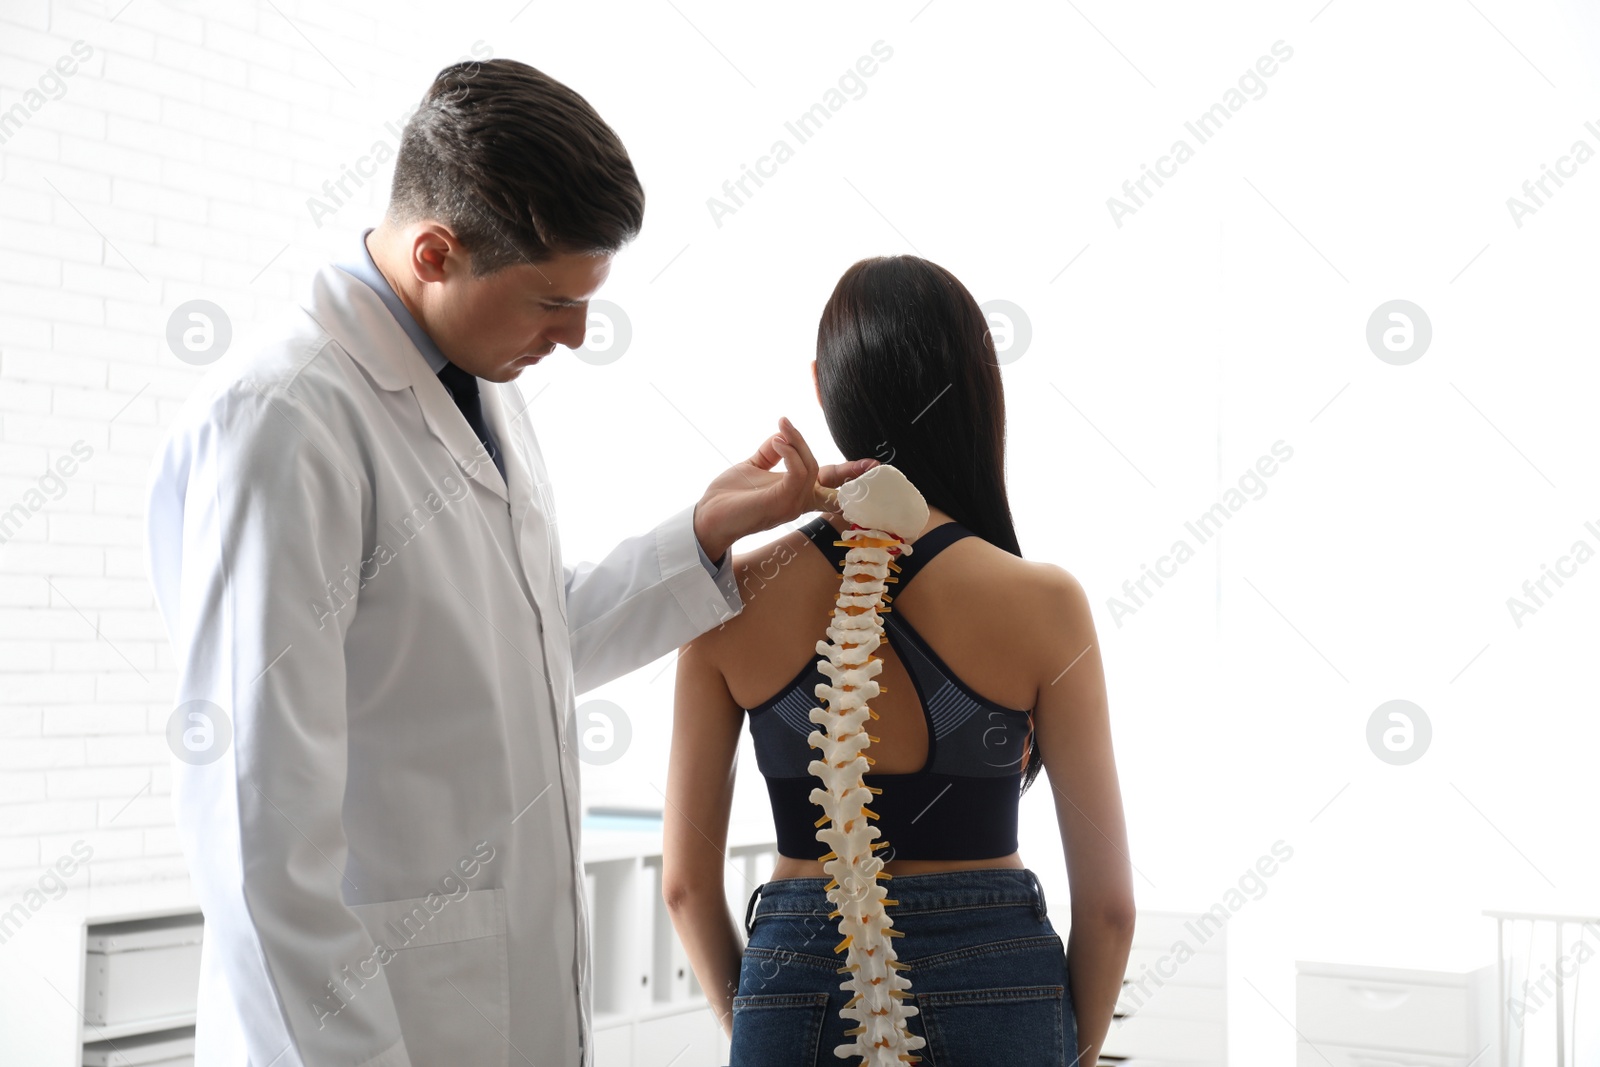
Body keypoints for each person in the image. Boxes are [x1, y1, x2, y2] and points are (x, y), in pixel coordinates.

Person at [144, 59, 876, 1067]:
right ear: (436, 253)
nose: (574, 334)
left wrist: (703, 530)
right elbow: (255, 834)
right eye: (551, 301)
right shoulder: (284, 422)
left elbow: (527, 644)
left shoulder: (480, 388)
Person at [662, 255, 1135, 1066]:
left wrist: (764, 1018)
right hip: (997, 975)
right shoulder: (1045, 602)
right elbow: (1110, 908)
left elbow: (683, 886)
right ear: (980, 392)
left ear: (822, 384)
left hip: (795, 971)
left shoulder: (727, 601)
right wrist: (1074, 1050)